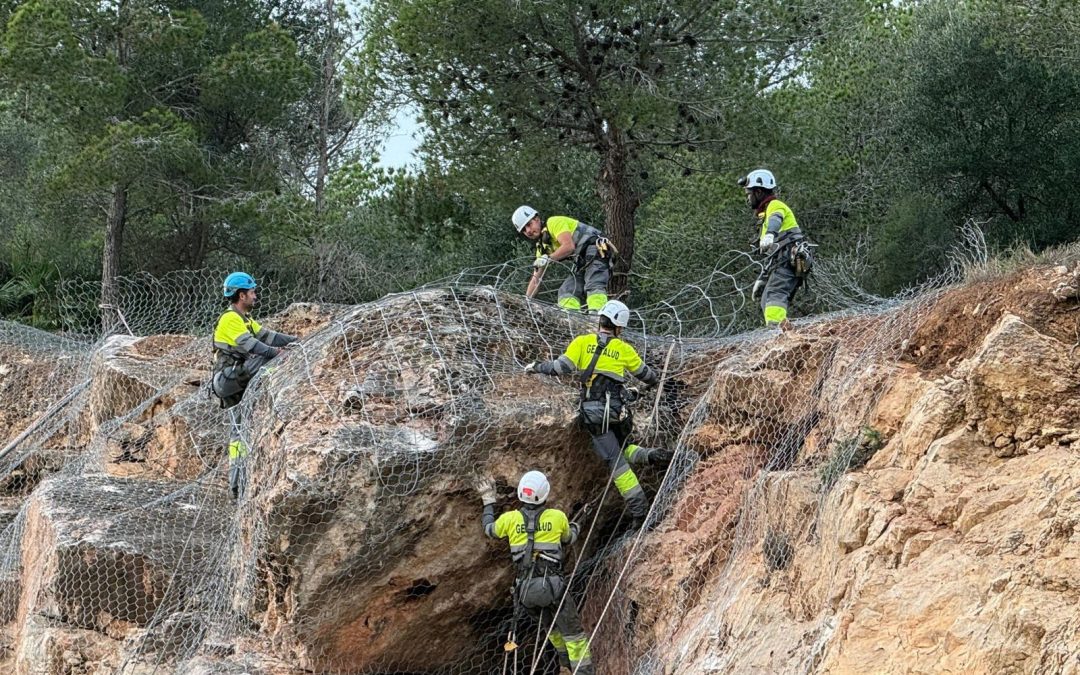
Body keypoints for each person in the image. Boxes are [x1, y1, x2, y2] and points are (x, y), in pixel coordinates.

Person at [524, 300, 673, 531]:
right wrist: (653, 381)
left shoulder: (583, 342)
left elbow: (560, 368)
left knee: (617, 464)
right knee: (624, 448)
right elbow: (648, 375)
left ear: (601, 320)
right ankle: (654, 455)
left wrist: (536, 366)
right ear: (619, 327)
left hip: (595, 415)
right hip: (619, 413)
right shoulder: (624, 349)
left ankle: (640, 511)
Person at [477, 471, 594, 675]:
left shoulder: (509, 519)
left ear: (521, 493)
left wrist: (488, 500)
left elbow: (488, 528)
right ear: (545, 494)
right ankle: (582, 672)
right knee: (573, 634)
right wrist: (578, 523)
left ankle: (564, 663)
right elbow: (569, 538)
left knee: (552, 630)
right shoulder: (557, 517)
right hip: (552, 587)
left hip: (526, 593)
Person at [210, 271, 297, 499]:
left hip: (235, 378)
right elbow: (255, 346)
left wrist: (299, 341)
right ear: (241, 295)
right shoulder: (230, 319)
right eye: (252, 292)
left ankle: (237, 484)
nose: (255, 296)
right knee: (267, 358)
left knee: (239, 431)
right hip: (226, 379)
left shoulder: (245, 320)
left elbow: (270, 336)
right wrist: (280, 354)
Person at [739, 169, 813, 330]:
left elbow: (776, 218)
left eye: (749, 194)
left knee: (774, 294)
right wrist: (762, 278)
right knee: (767, 296)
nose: (747, 198)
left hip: (790, 257)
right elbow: (773, 256)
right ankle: (779, 329)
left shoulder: (775, 205)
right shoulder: (765, 216)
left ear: (758, 192)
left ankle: (776, 331)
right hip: (782, 259)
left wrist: (770, 234)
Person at [511, 205, 613, 313]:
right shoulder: (542, 248)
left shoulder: (554, 223)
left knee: (593, 284)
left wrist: (548, 259)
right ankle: (572, 320)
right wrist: (526, 301)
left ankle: (598, 317)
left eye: (528, 224)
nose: (528, 231)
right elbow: (536, 279)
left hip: (596, 249)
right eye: (524, 230)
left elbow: (569, 247)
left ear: (537, 219)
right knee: (566, 290)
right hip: (582, 260)